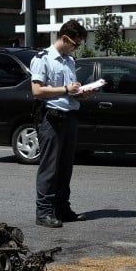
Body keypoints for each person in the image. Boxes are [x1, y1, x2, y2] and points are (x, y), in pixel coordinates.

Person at [31, 19, 93, 228]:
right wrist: (66, 89)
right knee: (49, 167)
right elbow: (37, 91)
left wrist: (81, 93)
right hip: (52, 117)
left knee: (66, 167)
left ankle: (62, 208)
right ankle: (44, 212)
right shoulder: (43, 58)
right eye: (76, 44)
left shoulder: (69, 60)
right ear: (65, 39)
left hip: (69, 115)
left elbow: (69, 91)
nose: (77, 48)